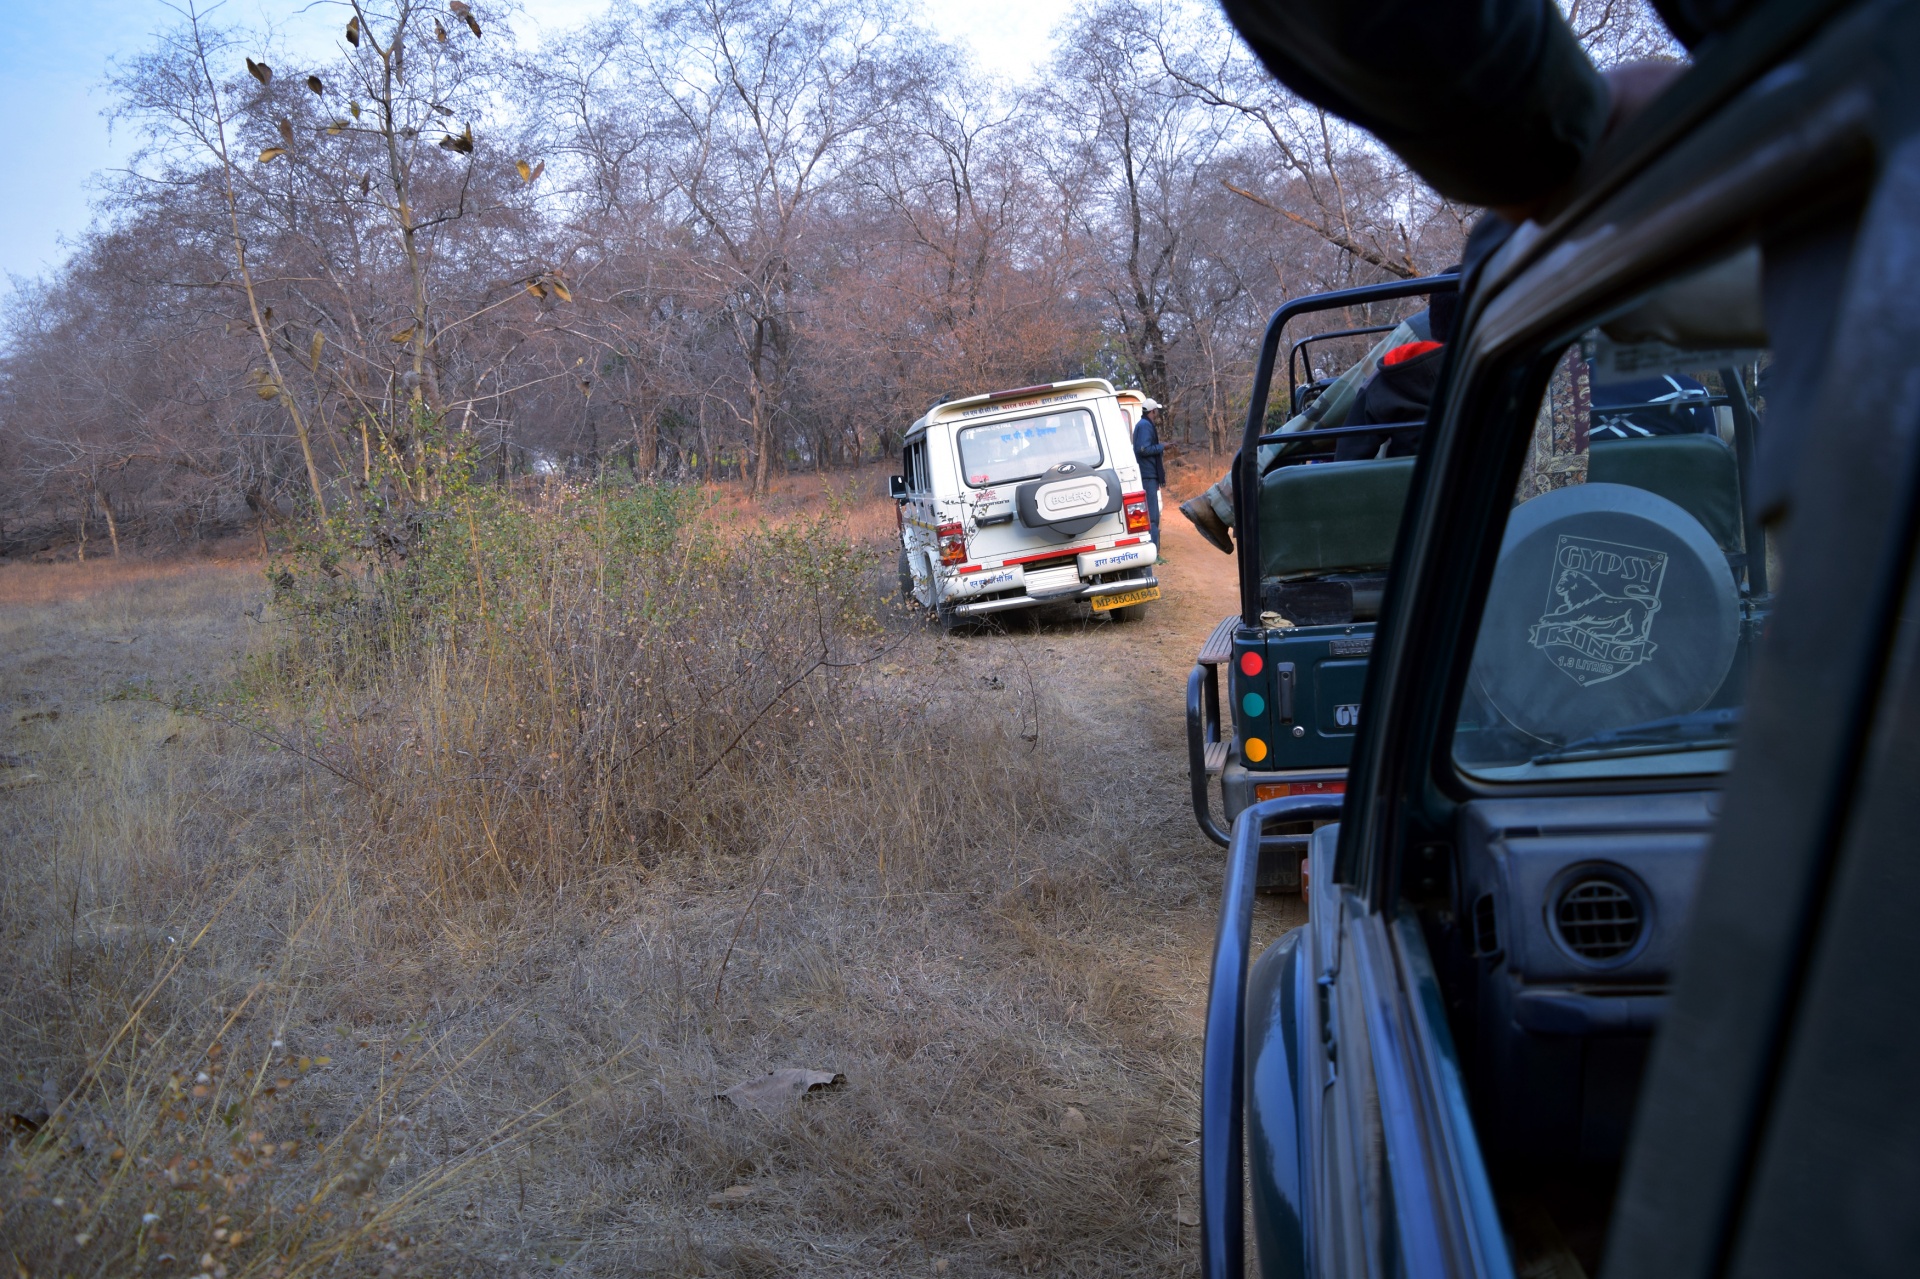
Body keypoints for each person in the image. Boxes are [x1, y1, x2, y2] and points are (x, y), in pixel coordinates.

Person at [1130, 398, 1167, 556]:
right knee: (1152, 515)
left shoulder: (1142, 424)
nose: (1156, 414)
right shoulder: (1145, 426)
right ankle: (1153, 551)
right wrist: (1161, 447)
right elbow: (1143, 449)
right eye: (1156, 411)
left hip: (1147, 474)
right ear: (1152, 411)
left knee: (1151, 514)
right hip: (1147, 474)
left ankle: (1152, 549)